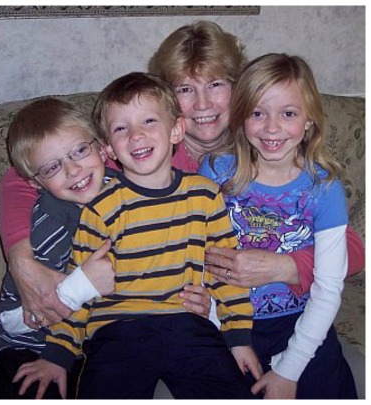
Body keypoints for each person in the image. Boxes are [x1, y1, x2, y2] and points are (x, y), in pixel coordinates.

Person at [0, 20, 363, 335]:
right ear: (165, 98)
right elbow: (19, 176)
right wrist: (21, 260)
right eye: (185, 89)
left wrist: (287, 266)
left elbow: (354, 249)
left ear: (241, 89)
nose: (202, 105)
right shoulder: (139, 150)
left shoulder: (271, 150)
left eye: (217, 84)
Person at [17, 72, 261, 399]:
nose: (136, 135)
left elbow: (224, 272)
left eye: (148, 121)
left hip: (188, 326)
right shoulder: (100, 209)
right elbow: (81, 288)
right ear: (108, 148)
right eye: (121, 129)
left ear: (176, 129)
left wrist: (239, 338)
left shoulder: (204, 196)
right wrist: (57, 356)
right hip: (117, 331)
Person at [198, 53, 357, 399]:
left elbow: (328, 289)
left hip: (300, 317)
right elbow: (199, 264)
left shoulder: (325, 188)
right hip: (228, 318)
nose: (271, 128)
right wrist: (229, 336)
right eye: (257, 113)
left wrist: (290, 367)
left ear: (309, 121)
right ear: (241, 119)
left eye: (288, 113)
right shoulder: (215, 172)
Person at [0, 98, 117, 399]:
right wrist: (82, 284)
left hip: (91, 344)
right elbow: (14, 320)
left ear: (102, 148)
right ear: (35, 183)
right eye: (53, 167)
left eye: (80, 151)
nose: (73, 170)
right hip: (28, 345)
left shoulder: (129, 194)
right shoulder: (48, 224)